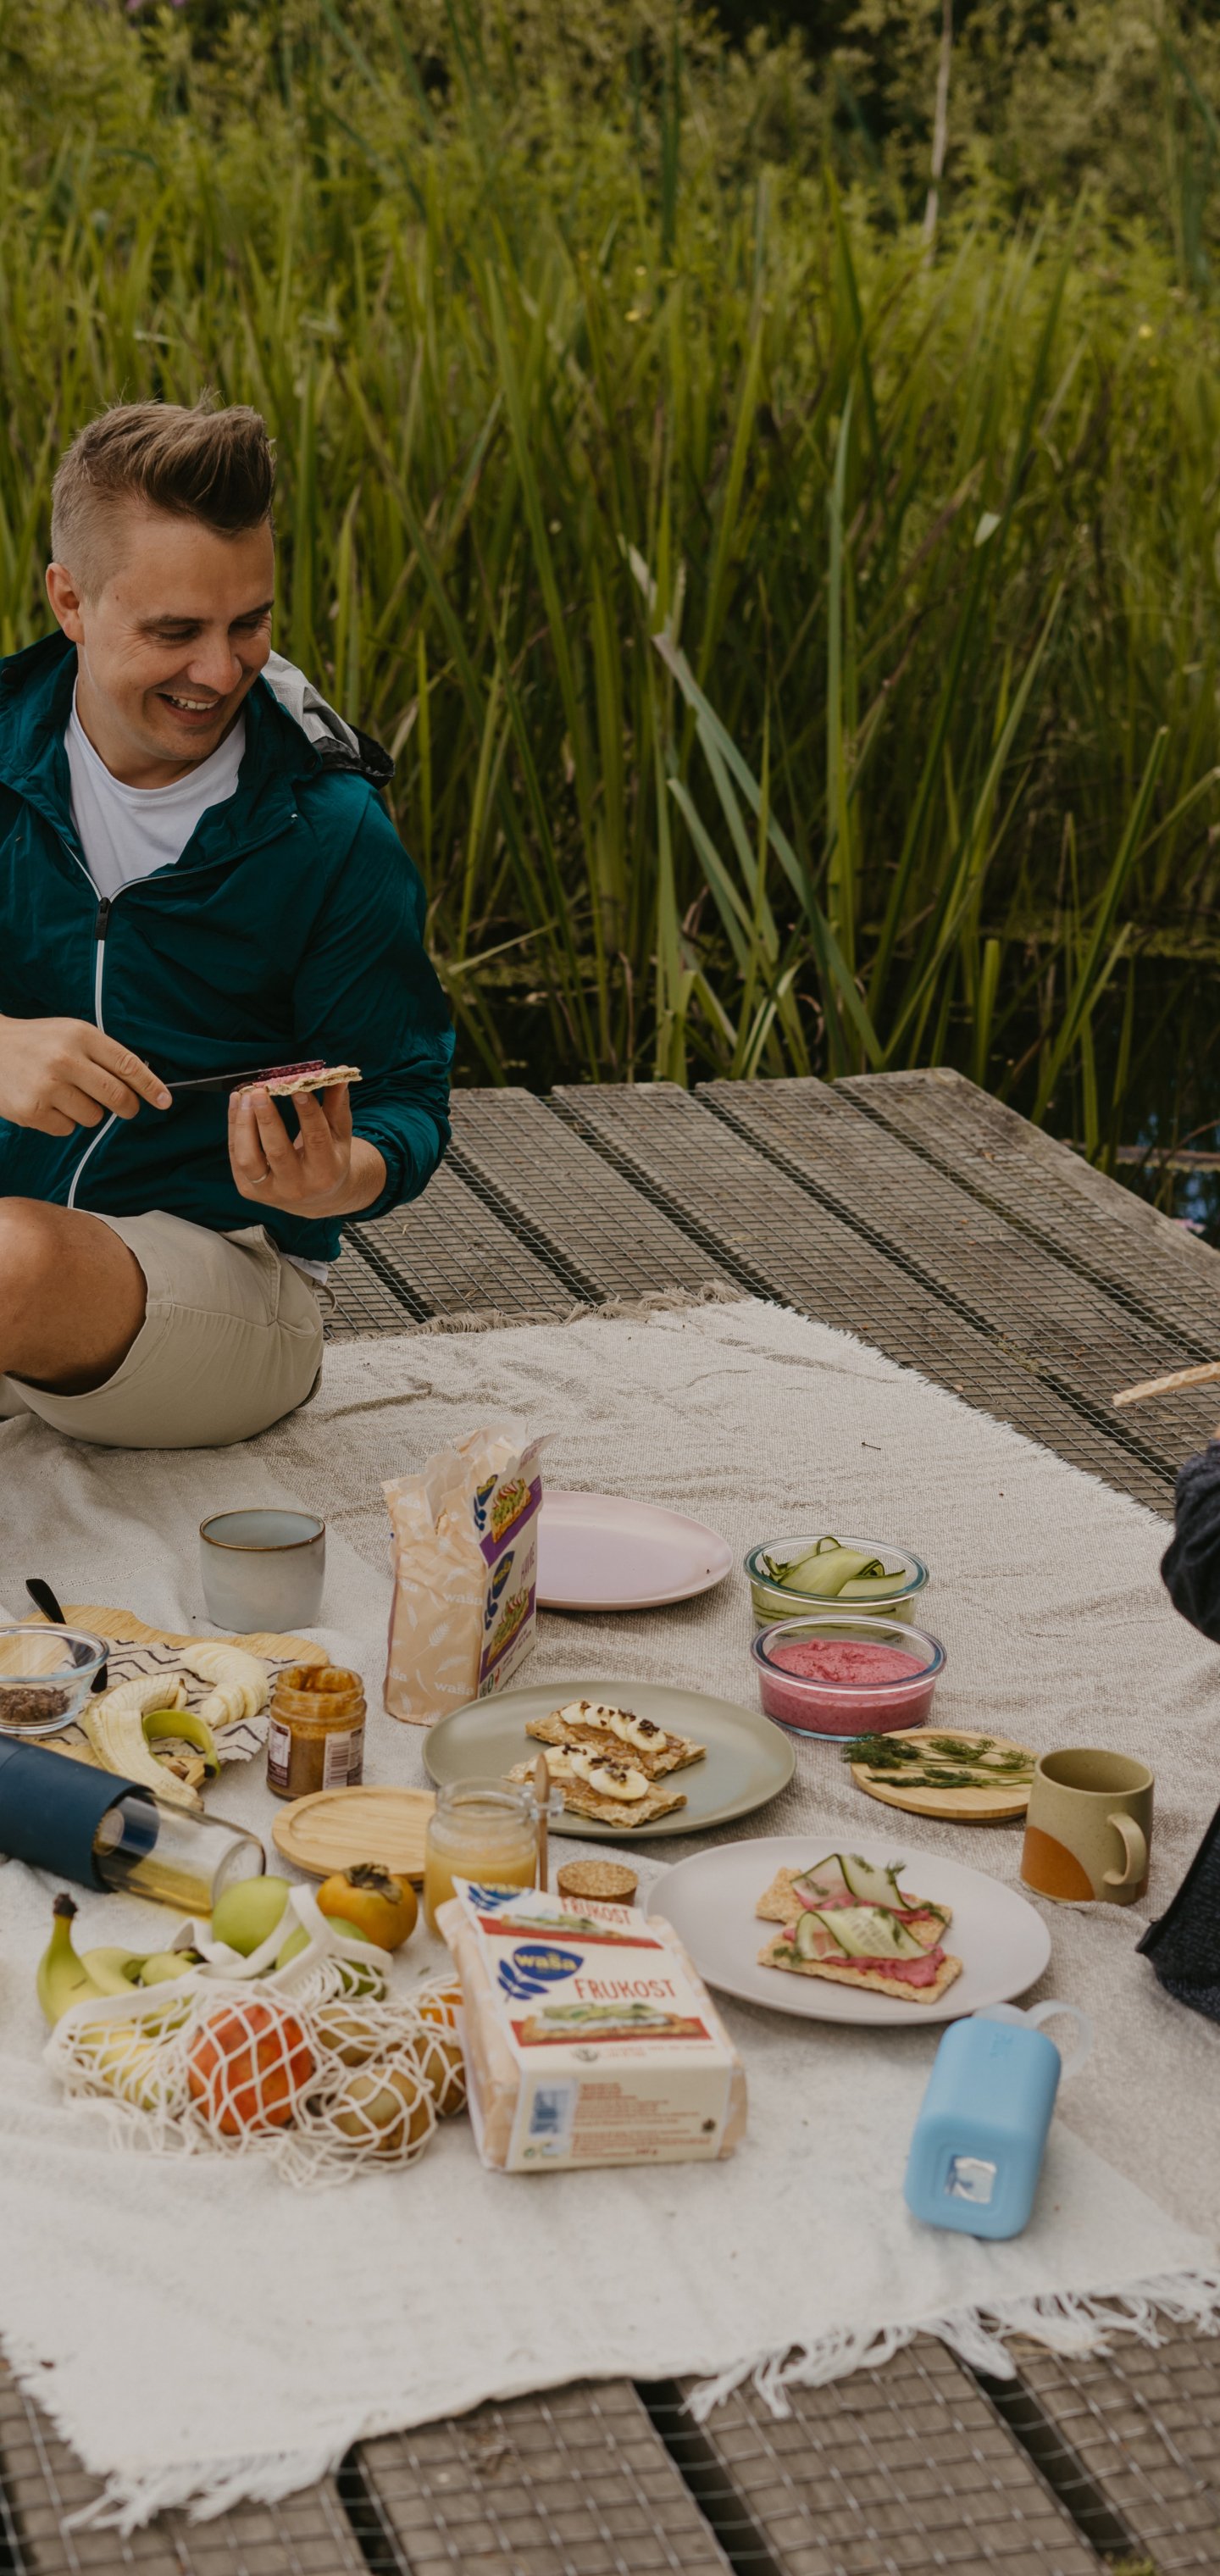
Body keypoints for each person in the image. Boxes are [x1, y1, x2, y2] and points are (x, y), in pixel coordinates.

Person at [0, 398, 452, 1448]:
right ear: (69, 601)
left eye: (248, 623)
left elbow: (405, 1094)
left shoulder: (331, 829)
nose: (220, 671)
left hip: (222, 1285)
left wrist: (341, 1176)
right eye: (175, 632)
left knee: (14, 1257)